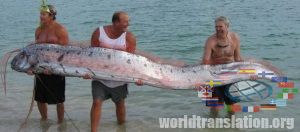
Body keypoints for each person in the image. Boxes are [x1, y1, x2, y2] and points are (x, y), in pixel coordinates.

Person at [88, 11, 139, 132]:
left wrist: (137, 78)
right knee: (96, 102)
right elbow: (90, 56)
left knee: (120, 104)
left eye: (128, 21)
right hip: (100, 77)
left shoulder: (129, 37)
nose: (128, 24)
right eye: (125, 21)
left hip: (119, 79)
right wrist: (87, 71)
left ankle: (121, 128)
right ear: (116, 22)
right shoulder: (99, 32)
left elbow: (131, 61)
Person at [28, 4, 69, 123]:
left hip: (56, 68)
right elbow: (36, 51)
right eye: (40, 14)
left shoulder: (60, 29)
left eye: (43, 14)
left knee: (59, 100)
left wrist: (53, 67)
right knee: (40, 99)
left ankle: (61, 123)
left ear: (51, 16)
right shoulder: (38, 30)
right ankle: (44, 120)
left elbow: (66, 52)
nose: (41, 16)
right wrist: (31, 67)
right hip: (41, 68)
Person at [201, 16, 242, 116]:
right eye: (216, 27)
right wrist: (202, 80)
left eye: (220, 26)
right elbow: (205, 61)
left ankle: (231, 126)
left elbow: (238, 59)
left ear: (227, 26)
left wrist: (247, 73)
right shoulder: (210, 41)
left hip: (231, 73)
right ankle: (213, 126)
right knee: (213, 106)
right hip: (214, 74)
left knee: (231, 105)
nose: (218, 29)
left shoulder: (235, 38)